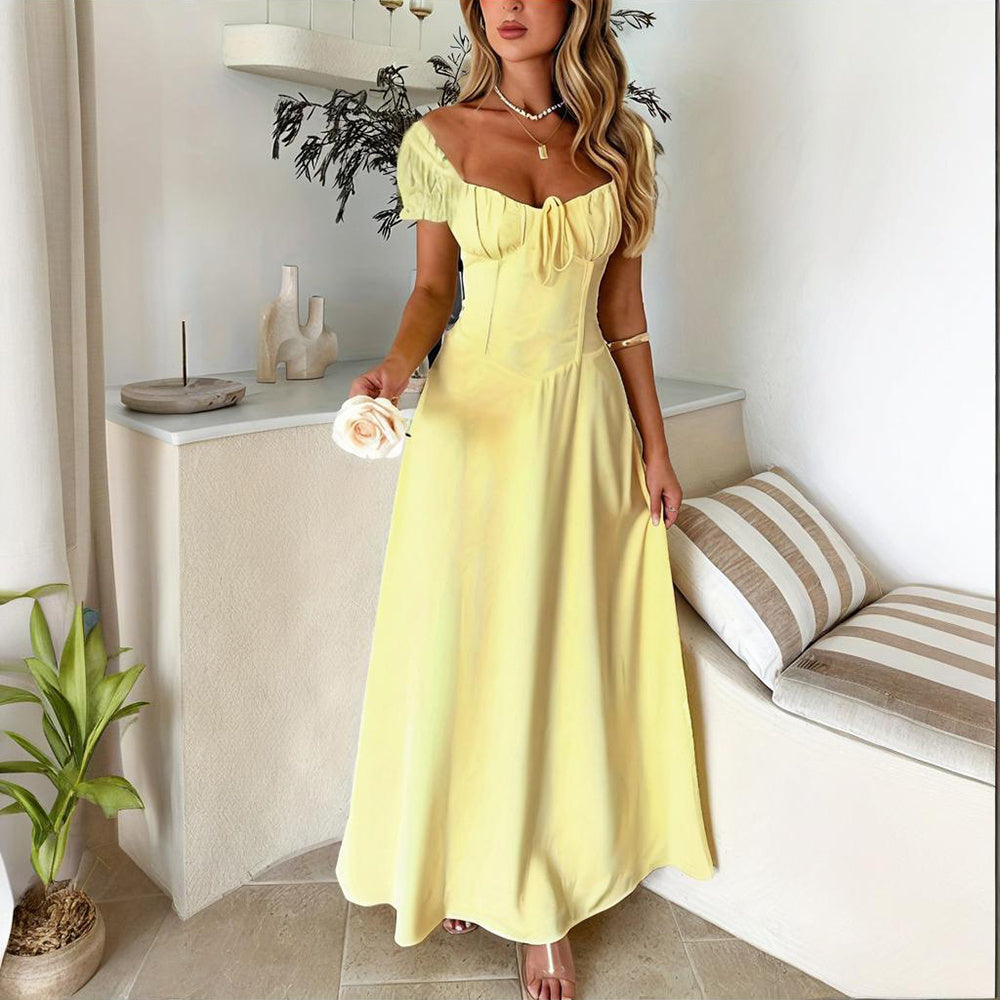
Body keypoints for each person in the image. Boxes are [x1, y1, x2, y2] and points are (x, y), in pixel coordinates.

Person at [334, 1, 716, 996]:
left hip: (581, 426)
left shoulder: (622, 146)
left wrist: (656, 448)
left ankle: (541, 904)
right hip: (472, 424)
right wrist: (393, 370)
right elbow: (432, 291)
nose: (508, 6)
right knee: (466, 643)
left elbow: (623, 314)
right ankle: (465, 857)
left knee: (556, 650)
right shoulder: (438, 138)